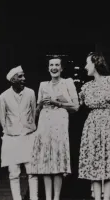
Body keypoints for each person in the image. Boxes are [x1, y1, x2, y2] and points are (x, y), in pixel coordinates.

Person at [30, 55, 79, 200]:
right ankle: (47, 197)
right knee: (46, 160)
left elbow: (75, 107)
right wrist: (40, 104)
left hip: (60, 124)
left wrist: (57, 103)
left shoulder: (68, 83)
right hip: (45, 124)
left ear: (62, 68)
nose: (54, 68)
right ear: (48, 68)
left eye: (57, 65)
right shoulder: (43, 85)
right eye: (51, 65)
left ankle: (56, 198)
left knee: (57, 160)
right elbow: (37, 111)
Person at [0, 66, 38, 200]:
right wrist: (11, 131)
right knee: (13, 173)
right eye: (20, 76)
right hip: (12, 138)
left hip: (28, 136)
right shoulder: (3, 96)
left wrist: (29, 129)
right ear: (12, 79)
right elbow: (2, 119)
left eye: (24, 76)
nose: (23, 79)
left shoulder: (31, 93)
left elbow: (33, 114)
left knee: (32, 172)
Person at [78, 52, 110, 200]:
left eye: (87, 63)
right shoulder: (86, 87)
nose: (85, 67)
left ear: (95, 64)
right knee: (94, 163)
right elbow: (76, 106)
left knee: (108, 162)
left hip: (108, 124)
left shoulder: (109, 82)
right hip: (92, 126)